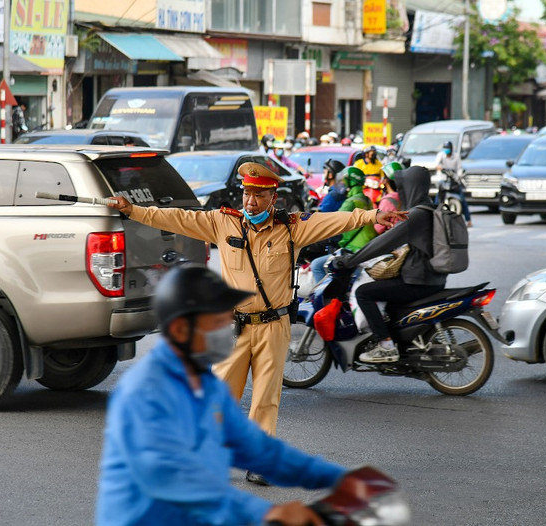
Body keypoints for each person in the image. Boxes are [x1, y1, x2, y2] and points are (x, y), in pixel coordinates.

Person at [107, 163, 406, 485]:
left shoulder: (292, 228)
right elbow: (177, 218)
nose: (251, 202)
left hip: (273, 326)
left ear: (273, 197)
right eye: (248, 194)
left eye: (259, 196)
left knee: (266, 397)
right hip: (233, 328)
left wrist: (373, 215)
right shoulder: (223, 223)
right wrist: (133, 210)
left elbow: (333, 220)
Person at [96, 264, 352, 526]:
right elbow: (175, 482)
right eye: (217, 321)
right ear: (181, 330)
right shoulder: (144, 392)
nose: (227, 326)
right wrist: (266, 513)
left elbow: (258, 449)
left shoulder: (208, 386)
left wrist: (336, 477)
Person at [331, 166, 447, 363]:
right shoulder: (431, 209)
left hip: (417, 280)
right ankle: (398, 341)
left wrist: (351, 260)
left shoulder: (416, 215)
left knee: (364, 293)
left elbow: (383, 243)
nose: (400, 191)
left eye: (403, 187)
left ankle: (386, 346)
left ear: (410, 187)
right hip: (432, 278)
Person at [310, 166, 377, 283]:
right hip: (367, 245)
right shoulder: (366, 200)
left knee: (316, 265)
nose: (342, 184)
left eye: (344, 181)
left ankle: (323, 299)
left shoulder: (350, 202)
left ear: (350, 182)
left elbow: (335, 222)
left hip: (353, 248)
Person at [435, 141, 472, 227]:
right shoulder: (441, 155)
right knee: (438, 198)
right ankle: (434, 216)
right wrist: (443, 169)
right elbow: (436, 165)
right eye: (445, 148)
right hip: (443, 180)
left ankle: (468, 220)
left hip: (454, 180)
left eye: (448, 148)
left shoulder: (456, 156)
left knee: (462, 199)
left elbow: (459, 168)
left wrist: (457, 175)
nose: (446, 150)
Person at [374, 162, 403, 235]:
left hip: (392, 238)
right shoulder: (407, 195)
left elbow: (379, 228)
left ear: (386, 180)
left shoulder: (387, 201)